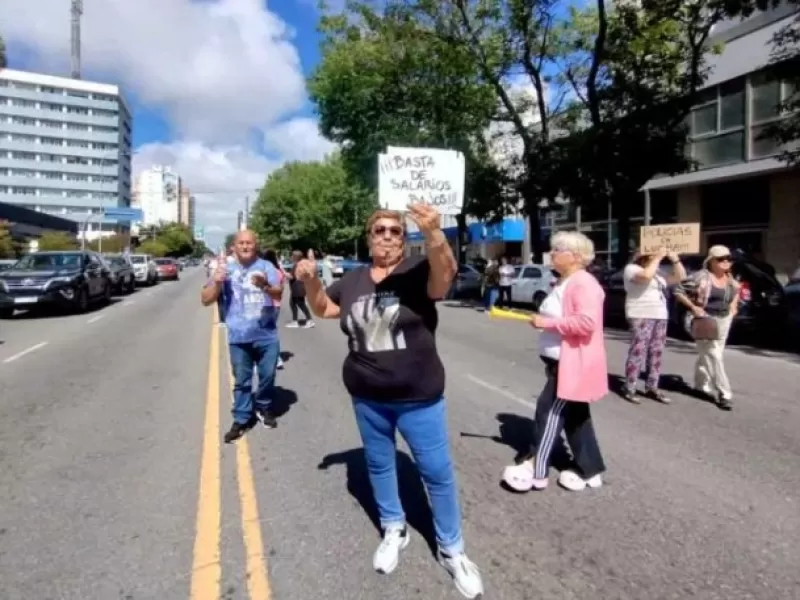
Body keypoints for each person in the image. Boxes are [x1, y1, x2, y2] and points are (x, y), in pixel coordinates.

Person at [294, 205, 484, 599]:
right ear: (368, 237)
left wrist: (433, 232)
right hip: (367, 396)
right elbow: (325, 309)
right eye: (379, 229)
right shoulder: (354, 279)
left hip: (419, 397)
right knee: (379, 465)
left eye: (395, 231)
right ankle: (393, 527)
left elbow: (444, 277)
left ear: (403, 238)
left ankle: (452, 549)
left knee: (435, 472)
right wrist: (311, 282)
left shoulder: (416, 272)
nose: (387, 235)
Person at [501, 231, 608, 493]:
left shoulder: (583, 283)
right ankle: (590, 468)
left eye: (558, 249)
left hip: (570, 363)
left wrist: (545, 323)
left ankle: (537, 469)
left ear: (576, 256)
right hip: (564, 360)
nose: (553, 253)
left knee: (549, 413)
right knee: (575, 417)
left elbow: (586, 322)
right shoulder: (568, 281)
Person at [201, 230, 284, 441]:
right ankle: (241, 418)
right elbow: (205, 299)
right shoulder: (225, 269)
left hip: (266, 334)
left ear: (256, 245)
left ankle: (264, 406)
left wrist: (265, 285)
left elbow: (279, 293)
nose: (245, 246)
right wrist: (218, 283)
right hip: (238, 336)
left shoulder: (267, 267)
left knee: (267, 376)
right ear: (234, 246)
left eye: (249, 243)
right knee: (242, 380)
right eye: (241, 243)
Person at [674, 245, 740, 411]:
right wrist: (693, 307)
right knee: (714, 355)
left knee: (709, 353)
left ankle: (700, 385)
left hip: (724, 319)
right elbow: (678, 290)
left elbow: (737, 290)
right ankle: (725, 393)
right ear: (711, 261)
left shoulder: (730, 277)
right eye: (721, 259)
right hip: (705, 319)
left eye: (728, 259)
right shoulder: (701, 276)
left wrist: (733, 305)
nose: (726, 262)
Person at [621, 248, 686, 404]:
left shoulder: (658, 273)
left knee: (656, 352)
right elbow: (644, 277)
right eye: (650, 255)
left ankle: (652, 386)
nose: (655, 257)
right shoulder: (632, 269)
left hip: (660, 315)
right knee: (639, 350)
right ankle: (629, 386)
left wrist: (675, 260)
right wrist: (657, 257)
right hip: (641, 313)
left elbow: (680, 277)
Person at [263, 249, 287, 370]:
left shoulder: (266, 271)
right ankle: (276, 358)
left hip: (266, 305)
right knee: (271, 332)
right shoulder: (279, 271)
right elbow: (282, 286)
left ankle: (274, 358)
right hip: (276, 305)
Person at [285, 250, 315, 328]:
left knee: (301, 304)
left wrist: (283, 273)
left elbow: (291, 276)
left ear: (295, 257)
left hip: (298, 288)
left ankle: (309, 320)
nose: (291, 257)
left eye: (292, 255)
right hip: (299, 288)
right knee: (293, 304)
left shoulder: (297, 265)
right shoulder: (301, 264)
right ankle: (295, 321)